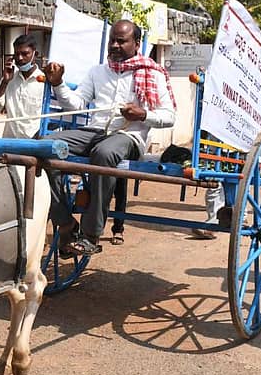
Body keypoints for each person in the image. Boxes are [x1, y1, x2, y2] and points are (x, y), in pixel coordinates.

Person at [43, 20, 176, 256]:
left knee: (104, 153)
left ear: (136, 44)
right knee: (44, 146)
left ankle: (91, 234)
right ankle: (65, 222)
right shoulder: (98, 71)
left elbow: (169, 116)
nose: (114, 45)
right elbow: (77, 104)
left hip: (129, 137)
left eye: (121, 41)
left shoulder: (151, 73)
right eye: (112, 40)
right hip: (94, 132)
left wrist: (142, 114)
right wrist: (58, 83)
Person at [0, 34, 46, 139]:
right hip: (10, 142)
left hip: (33, 143)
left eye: (25, 54)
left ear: (35, 54)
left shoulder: (44, 82)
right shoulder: (9, 79)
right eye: (17, 54)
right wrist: (5, 82)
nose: (20, 58)